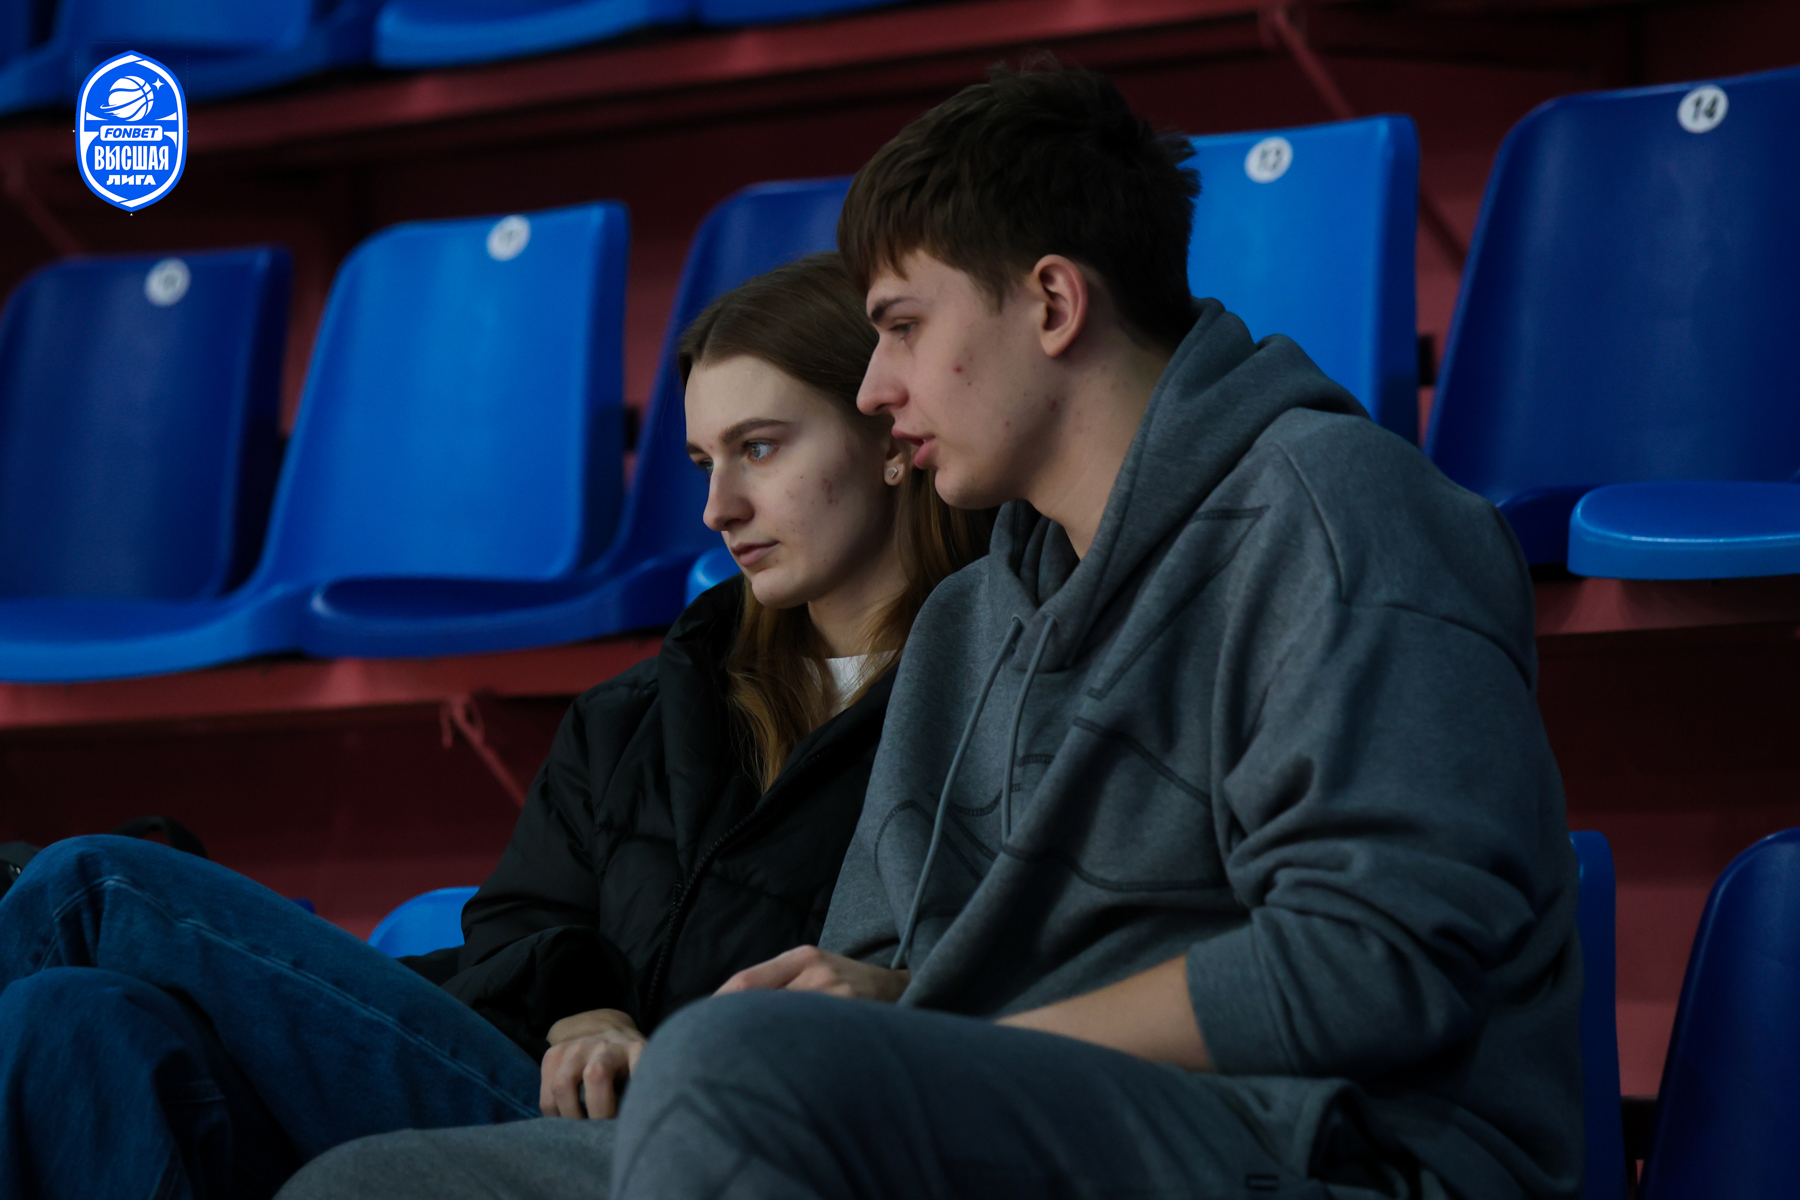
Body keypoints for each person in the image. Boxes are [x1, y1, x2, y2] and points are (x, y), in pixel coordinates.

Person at [587, 62, 1583, 1200]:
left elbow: (1376, 961)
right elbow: (897, 983)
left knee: (730, 1067)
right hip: (1029, 1127)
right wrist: (892, 1005)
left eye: (903, 327)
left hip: (1343, 1152)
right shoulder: (967, 620)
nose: (872, 389)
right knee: (427, 1169)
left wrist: (952, 1049)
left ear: (1055, 305)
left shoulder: (1340, 514)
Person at [0, 251, 989, 1200]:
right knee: (70, 1019)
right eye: (701, 462)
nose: (717, 508)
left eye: (759, 449)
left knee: (92, 887)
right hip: (535, 1104)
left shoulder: (995, 696)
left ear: (887, 439)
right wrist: (583, 1013)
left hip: (701, 1143)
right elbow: (519, 923)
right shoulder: (642, 708)